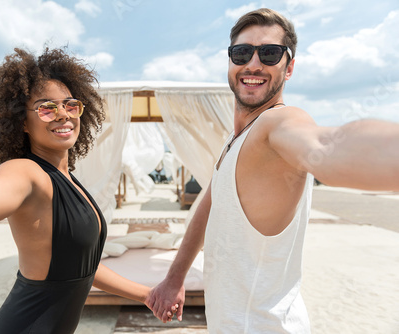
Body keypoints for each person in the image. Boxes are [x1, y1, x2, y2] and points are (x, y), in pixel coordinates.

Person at [147, 8, 399, 333]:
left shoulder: (276, 125)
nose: (253, 64)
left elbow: (328, 145)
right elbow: (210, 203)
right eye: (242, 53)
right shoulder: (234, 140)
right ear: (229, 61)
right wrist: (174, 278)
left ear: (289, 67)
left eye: (269, 53)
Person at [0, 47, 167, 333]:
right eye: (46, 108)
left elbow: (81, 268)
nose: (62, 114)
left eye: (70, 104)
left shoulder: (68, 179)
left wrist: (146, 295)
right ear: (23, 122)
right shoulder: (26, 173)